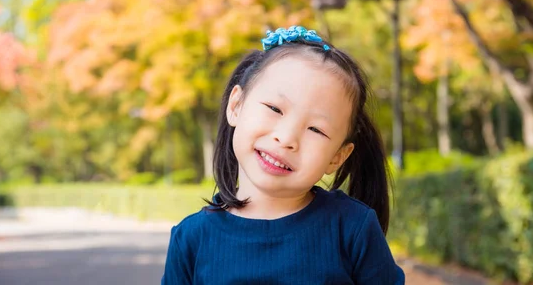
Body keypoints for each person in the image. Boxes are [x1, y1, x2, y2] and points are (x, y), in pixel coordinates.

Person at [161, 26, 405, 284]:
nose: (287, 138)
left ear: (337, 156)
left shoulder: (352, 229)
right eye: (275, 109)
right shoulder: (192, 239)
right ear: (236, 106)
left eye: (316, 129)